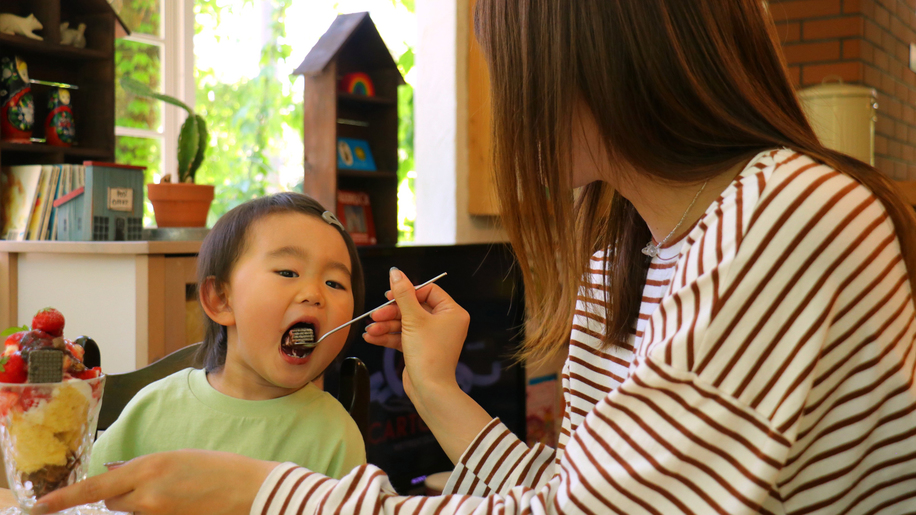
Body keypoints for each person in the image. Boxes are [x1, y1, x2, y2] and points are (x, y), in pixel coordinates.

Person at [37, 0, 916, 513]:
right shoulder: (623, 254)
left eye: (507, 62)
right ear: (216, 297)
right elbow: (572, 492)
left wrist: (260, 492)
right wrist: (435, 388)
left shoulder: (790, 217)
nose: (506, 100)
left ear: (589, 52)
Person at [86, 192, 366, 480]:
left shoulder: (336, 435)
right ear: (221, 299)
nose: (314, 294)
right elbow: (86, 495)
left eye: (334, 283)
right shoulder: (154, 408)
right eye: (287, 272)